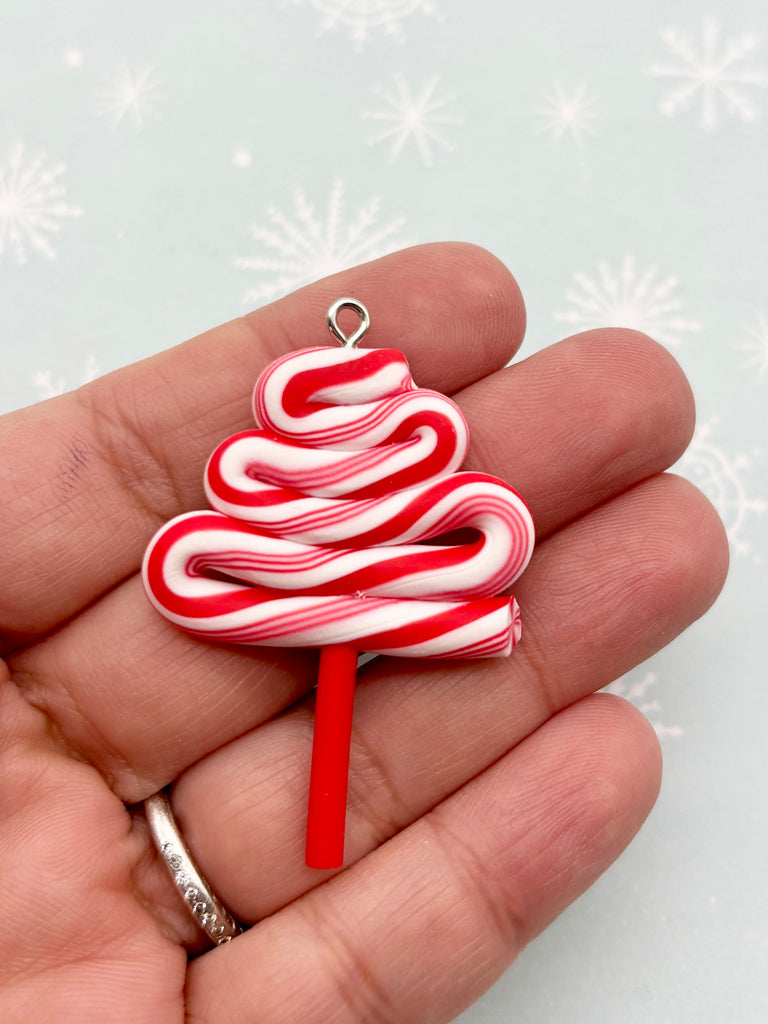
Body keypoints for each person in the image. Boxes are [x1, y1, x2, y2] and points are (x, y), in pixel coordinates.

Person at [0, 243, 728, 1023]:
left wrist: (409, 602)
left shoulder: (414, 453)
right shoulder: (265, 475)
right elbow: (187, 563)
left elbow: (485, 540)